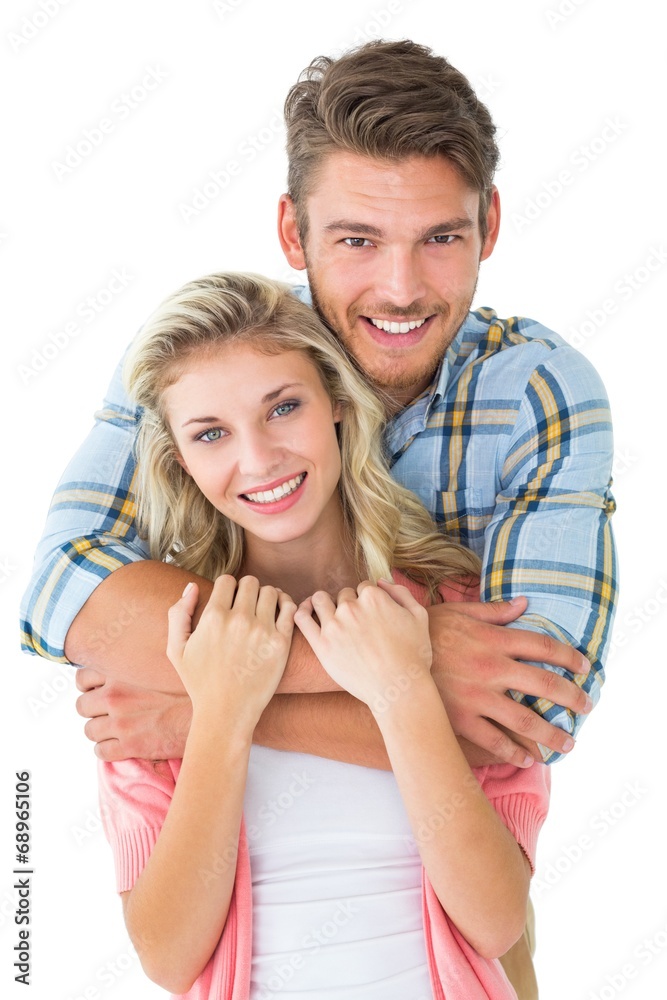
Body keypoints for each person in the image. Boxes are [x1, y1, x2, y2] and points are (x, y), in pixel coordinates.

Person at [20, 39, 617, 998]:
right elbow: (61, 587)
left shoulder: (540, 390)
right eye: (355, 240)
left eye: (439, 237)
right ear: (293, 234)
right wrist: (302, 679)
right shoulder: (213, 357)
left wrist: (191, 698)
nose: (398, 288)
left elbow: (525, 715)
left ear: (488, 224)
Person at [98, 269, 550, 999]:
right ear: (181, 458)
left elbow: (496, 922)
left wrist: (402, 690)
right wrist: (217, 712)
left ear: (337, 399)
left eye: (282, 408)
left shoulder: (457, 613)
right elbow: (168, 955)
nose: (258, 459)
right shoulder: (162, 646)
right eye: (211, 433)